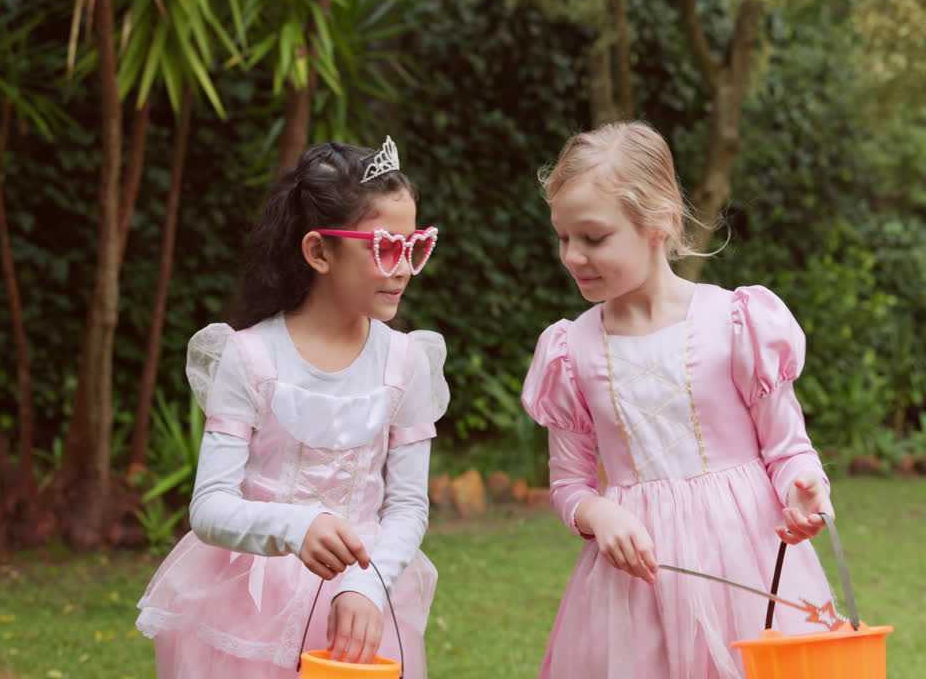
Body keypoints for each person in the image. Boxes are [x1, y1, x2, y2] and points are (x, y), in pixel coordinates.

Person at [522, 122, 836, 678]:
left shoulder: (737, 325)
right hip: (634, 588)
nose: (572, 256)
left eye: (593, 238)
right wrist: (599, 514)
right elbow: (569, 485)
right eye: (563, 237)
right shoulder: (572, 352)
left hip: (747, 570)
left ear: (659, 222)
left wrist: (804, 488)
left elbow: (788, 450)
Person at [136, 137, 447, 679]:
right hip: (248, 613)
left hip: (364, 599)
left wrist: (366, 585)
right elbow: (209, 507)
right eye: (383, 248)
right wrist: (296, 526)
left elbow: (407, 506)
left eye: (414, 246)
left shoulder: (406, 361)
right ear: (319, 252)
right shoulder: (249, 357)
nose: (403, 268)